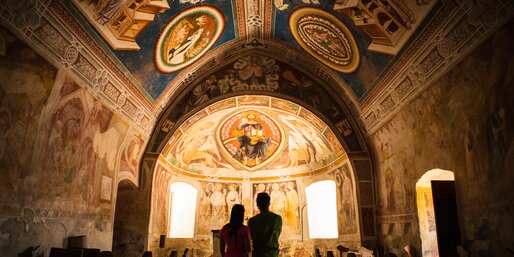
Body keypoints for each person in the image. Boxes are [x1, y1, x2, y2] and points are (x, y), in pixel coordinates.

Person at [248, 192, 282, 257]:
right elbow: (277, 234)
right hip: (272, 254)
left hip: (258, 254)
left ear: (257, 204)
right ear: (269, 203)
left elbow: (251, 237)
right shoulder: (277, 218)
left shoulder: (252, 220)